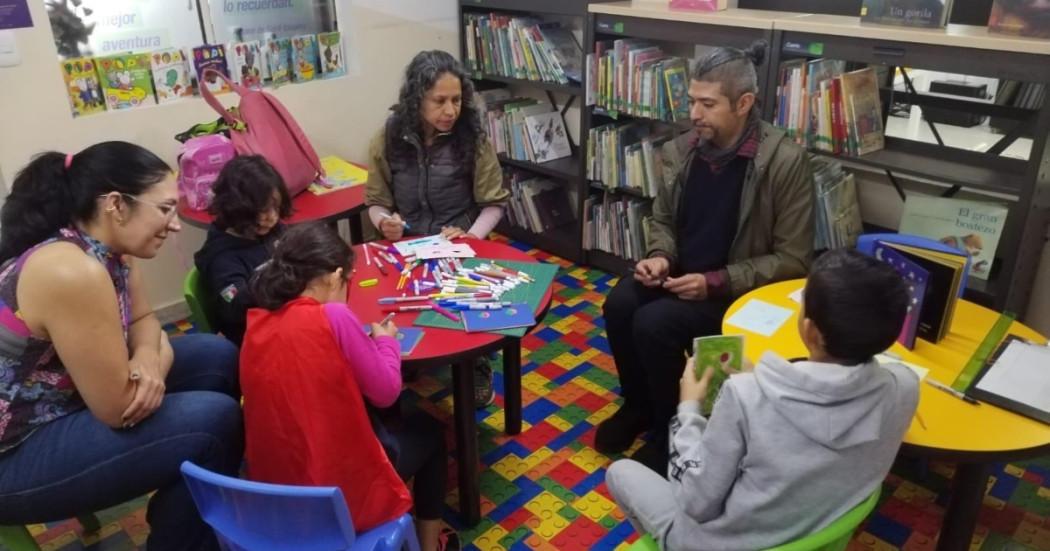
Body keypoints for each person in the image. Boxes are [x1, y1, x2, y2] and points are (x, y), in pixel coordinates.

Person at [0, 142, 243, 551]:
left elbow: (147, 321)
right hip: (15, 451)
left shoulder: (108, 250)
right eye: (164, 208)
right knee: (214, 423)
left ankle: (189, 495)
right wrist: (153, 367)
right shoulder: (71, 271)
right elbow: (117, 407)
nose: (176, 222)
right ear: (116, 204)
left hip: (61, 401)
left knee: (216, 356)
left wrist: (149, 358)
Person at [606, 249, 920, 550]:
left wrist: (688, 409)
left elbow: (696, 501)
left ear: (810, 330)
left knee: (620, 473)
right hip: (816, 530)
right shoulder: (904, 387)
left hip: (719, 543)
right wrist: (764, 378)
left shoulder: (745, 397)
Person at [597, 40, 816, 471]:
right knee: (619, 303)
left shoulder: (785, 162)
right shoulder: (683, 150)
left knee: (653, 324)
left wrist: (716, 282)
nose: (694, 114)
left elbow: (795, 260)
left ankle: (670, 431)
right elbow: (661, 219)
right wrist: (659, 255)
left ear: (744, 103)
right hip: (681, 276)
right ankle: (639, 404)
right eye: (692, 101)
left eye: (708, 104)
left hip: (737, 294)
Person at [240, 223, 456, 551]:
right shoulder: (335, 316)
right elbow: (386, 392)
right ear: (334, 276)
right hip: (334, 496)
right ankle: (430, 545)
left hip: (275, 494)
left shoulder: (257, 322)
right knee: (429, 430)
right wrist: (386, 343)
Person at [365, 49, 509, 407]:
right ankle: (409, 356)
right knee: (393, 303)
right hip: (408, 246)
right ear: (417, 99)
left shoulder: (472, 138)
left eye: (457, 100)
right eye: (440, 101)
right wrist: (384, 222)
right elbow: (375, 201)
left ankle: (476, 365)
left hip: (459, 244)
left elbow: (494, 203)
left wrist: (472, 236)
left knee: (463, 311)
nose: (450, 111)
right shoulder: (388, 136)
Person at [194, 155, 291, 346]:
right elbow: (234, 307)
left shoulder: (270, 230)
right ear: (236, 209)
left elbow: (294, 246)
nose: (272, 217)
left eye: (276, 208)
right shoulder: (222, 258)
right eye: (263, 210)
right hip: (257, 340)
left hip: (283, 319)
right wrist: (279, 279)